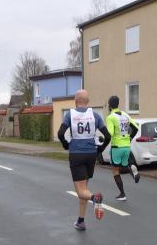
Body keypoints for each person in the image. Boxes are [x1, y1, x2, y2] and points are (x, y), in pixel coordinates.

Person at [57, 89, 111, 231]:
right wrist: (100, 149)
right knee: (84, 188)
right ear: (87, 102)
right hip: (91, 155)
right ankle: (81, 221)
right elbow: (108, 136)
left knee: (81, 191)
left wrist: (65, 144)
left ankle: (95, 198)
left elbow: (60, 133)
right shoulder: (95, 115)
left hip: (77, 154)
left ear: (75, 101)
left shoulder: (70, 114)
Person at [104, 95, 140, 200]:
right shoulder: (125, 114)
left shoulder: (110, 117)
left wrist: (102, 139)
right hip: (127, 146)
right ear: (118, 104)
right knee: (124, 166)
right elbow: (136, 127)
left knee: (115, 170)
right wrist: (130, 138)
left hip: (116, 147)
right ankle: (132, 169)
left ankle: (122, 194)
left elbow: (110, 133)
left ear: (109, 105)